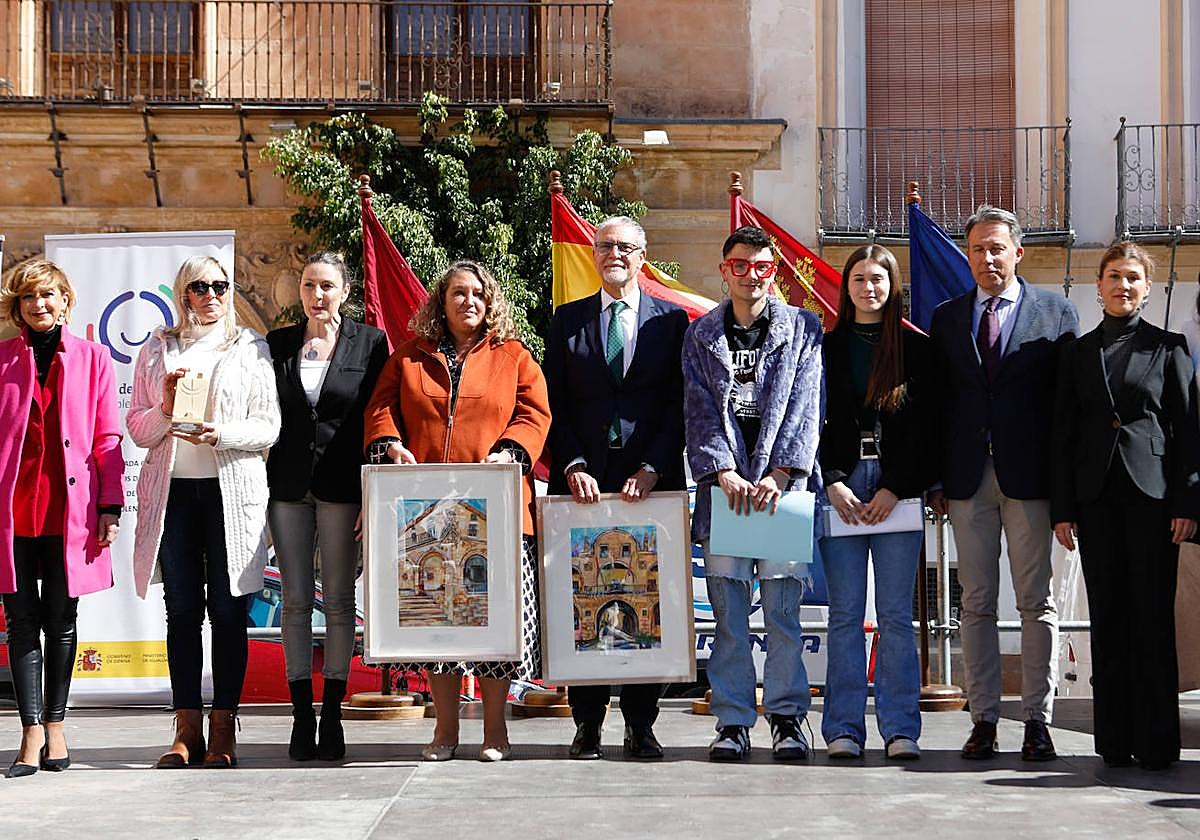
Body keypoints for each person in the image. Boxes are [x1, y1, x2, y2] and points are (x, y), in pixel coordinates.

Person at [363, 260, 551, 762]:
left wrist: (510, 450)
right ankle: (444, 731)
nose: (469, 302)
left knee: (496, 626)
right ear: (440, 303)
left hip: (501, 514)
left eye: (478, 295)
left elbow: (534, 414)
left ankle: (495, 732)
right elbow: (380, 409)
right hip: (425, 519)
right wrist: (390, 444)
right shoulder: (408, 358)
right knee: (438, 623)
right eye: (457, 294)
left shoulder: (513, 357)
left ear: (491, 304)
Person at [928, 204, 1079, 761]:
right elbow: (939, 406)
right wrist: (937, 479)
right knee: (976, 603)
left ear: (1018, 252)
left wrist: (1066, 494)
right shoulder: (947, 317)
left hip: (1031, 480)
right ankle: (984, 718)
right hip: (968, 481)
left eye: (997, 247)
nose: (987, 258)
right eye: (977, 249)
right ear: (966, 256)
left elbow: (1067, 412)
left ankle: (1038, 720)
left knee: (1035, 602)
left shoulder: (1057, 312)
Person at [543, 215, 689, 760]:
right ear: (594, 254)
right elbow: (552, 402)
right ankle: (586, 723)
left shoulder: (671, 322)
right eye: (605, 246)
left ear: (642, 254)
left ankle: (641, 723)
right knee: (584, 596)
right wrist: (573, 462)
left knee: (645, 597)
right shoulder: (567, 321)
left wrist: (654, 464)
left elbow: (681, 402)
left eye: (625, 246)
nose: (615, 254)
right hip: (583, 484)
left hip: (651, 484)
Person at [1051, 241, 1199, 770]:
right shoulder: (1077, 352)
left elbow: (1187, 432)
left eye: (1133, 277)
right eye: (1114, 276)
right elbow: (1063, 434)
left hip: (1155, 500)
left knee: (1152, 618)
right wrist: (1062, 510)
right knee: (1108, 617)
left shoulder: (1171, 347)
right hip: (1096, 502)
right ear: (1099, 285)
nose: (1123, 286)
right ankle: (1113, 741)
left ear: (1147, 286)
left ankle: (1158, 742)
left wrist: (1188, 501)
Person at [128, 256, 280, 769]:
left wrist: (224, 435)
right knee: (183, 613)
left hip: (231, 493)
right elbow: (139, 429)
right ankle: (185, 728)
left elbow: (268, 427)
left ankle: (223, 730)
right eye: (200, 286)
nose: (211, 294)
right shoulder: (157, 348)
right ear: (184, 293)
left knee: (231, 610)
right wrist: (166, 407)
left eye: (220, 285)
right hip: (173, 493)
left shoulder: (250, 348)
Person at [683, 225, 823, 761]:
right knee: (730, 621)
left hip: (780, 494)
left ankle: (788, 719)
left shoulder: (803, 329)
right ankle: (734, 720)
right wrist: (723, 472)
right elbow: (696, 410)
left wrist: (781, 473)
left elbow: (807, 407)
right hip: (725, 496)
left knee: (784, 616)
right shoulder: (700, 335)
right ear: (725, 271)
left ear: (774, 270)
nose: (750, 275)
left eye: (761, 266)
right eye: (739, 265)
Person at [0, 260, 123, 778]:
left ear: (66, 299)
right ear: (18, 307)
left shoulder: (95, 359)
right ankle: (29, 731)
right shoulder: (3, 360)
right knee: (20, 621)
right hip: (13, 514)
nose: (39, 305)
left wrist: (110, 505)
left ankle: (56, 725)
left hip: (69, 512)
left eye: (47, 295)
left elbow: (106, 440)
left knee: (62, 621)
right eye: (28, 297)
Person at [266, 252, 389, 761]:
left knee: (339, 599)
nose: (318, 296)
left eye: (327, 286)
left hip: (342, 486)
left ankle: (333, 711)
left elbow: (381, 412)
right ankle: (301, 714)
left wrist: (373, 486)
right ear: (300, 291)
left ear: (345, 291)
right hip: (288, 487)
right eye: (309, 286)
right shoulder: (276, 343)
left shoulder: (371, 342)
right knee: (294, 600)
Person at [817, 245, 932, 760]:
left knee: (894, 615)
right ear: (847, 287)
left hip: (896, 491)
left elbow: (932, 430)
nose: (869, 287)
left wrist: (896, 486)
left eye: (878, 278)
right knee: (843, 614)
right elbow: (807, 420)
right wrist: (833, 480)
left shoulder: (917, 349)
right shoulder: (824, 347)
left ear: (892, 286)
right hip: (841, 488)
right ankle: (843, 728)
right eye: (859, 278)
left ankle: (900, 729)